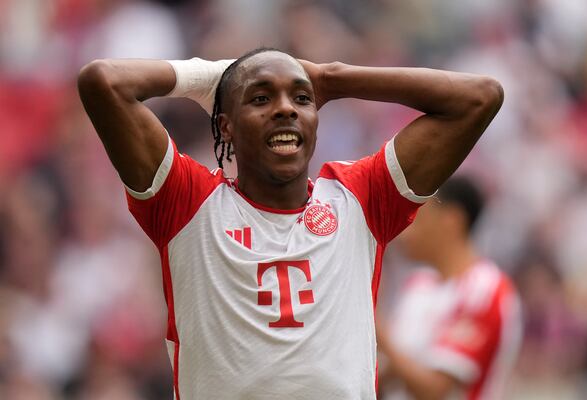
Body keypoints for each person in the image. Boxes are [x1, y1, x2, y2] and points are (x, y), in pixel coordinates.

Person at [77, 47, 503, 399]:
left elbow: (479, 97)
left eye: (301, 98)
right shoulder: (186, 201)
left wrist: (333, 79)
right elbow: (105, 82)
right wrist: (212, 77)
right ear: (224, 126)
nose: (285, 109)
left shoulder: (361, 197)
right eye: (260, 98)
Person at [377, 176, 522, 400]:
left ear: (452, 220)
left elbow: (437, 390)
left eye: (417, 218)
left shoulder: (485, 291)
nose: (405, 232)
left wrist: (377, 331)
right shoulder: (418, 284)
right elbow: (392, 374)